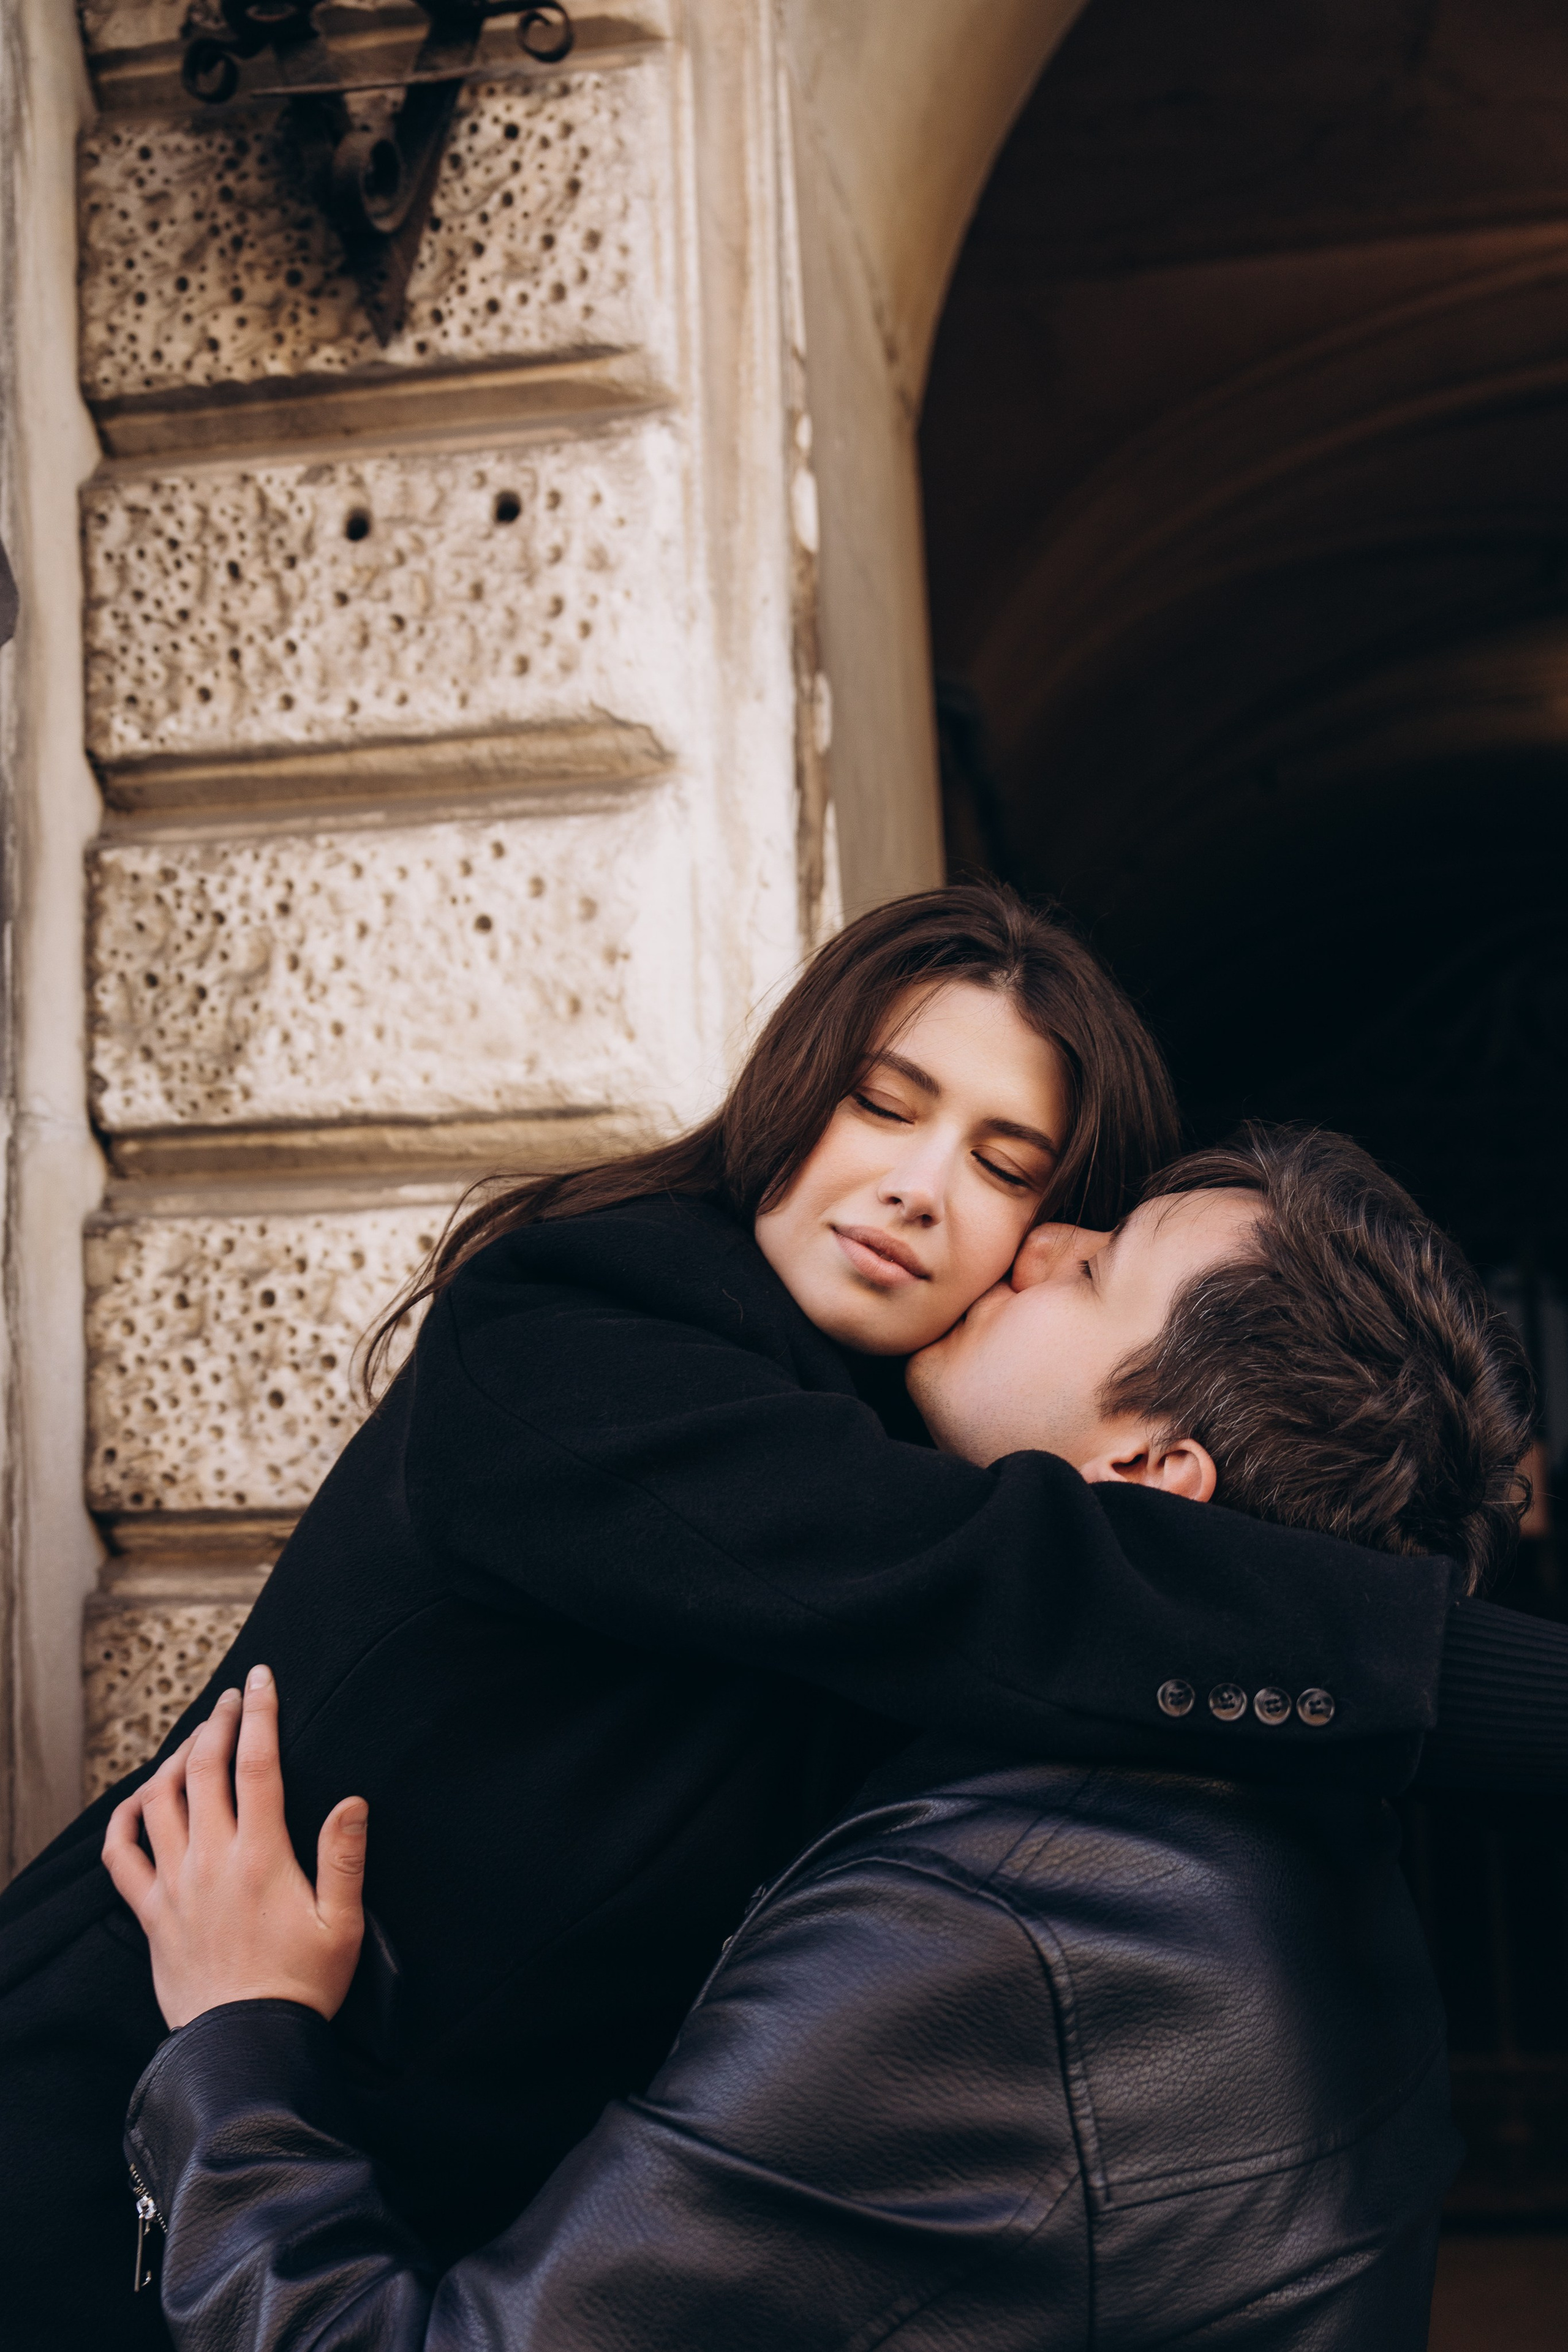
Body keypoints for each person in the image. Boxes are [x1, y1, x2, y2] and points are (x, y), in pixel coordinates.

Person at [0, 886, 1557, 2351]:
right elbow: (998, 1570)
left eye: (1013, 1170)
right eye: (883, 1102)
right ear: (792, 1092)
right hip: (115, 2114)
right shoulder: (580, 1338)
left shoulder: (937, 1483)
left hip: (353, 2214)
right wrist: (1461, 1681)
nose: (919, 1187)